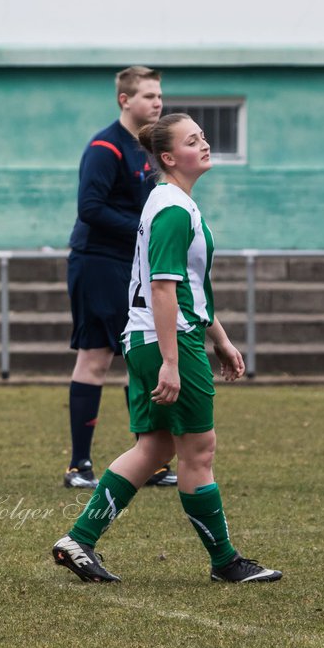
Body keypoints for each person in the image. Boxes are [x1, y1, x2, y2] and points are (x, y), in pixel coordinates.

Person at [52, 114, 281, 584]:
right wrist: (173, 362)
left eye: (203, 135)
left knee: (155, 447)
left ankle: (78, 539)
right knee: (199, 451)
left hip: (148, 337)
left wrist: (221, 339)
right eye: (193, 140)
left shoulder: (167, 201)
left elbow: (189, 285)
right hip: (165, 339)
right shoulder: (174, 208)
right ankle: (225, 562)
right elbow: (162, 289)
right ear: (169, 158)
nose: (205, 143)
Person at [64, 67, 176, 489]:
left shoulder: (150, 148)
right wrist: (146, 226)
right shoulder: (104, 146)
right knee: (94, 359)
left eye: (160, 95)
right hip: (97, 263)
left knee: (140, 360)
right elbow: (90, 209)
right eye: (148, 96)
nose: (157, 103)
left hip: (133, 266)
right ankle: (78, 466)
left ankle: (150, 461)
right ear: (124, 100)